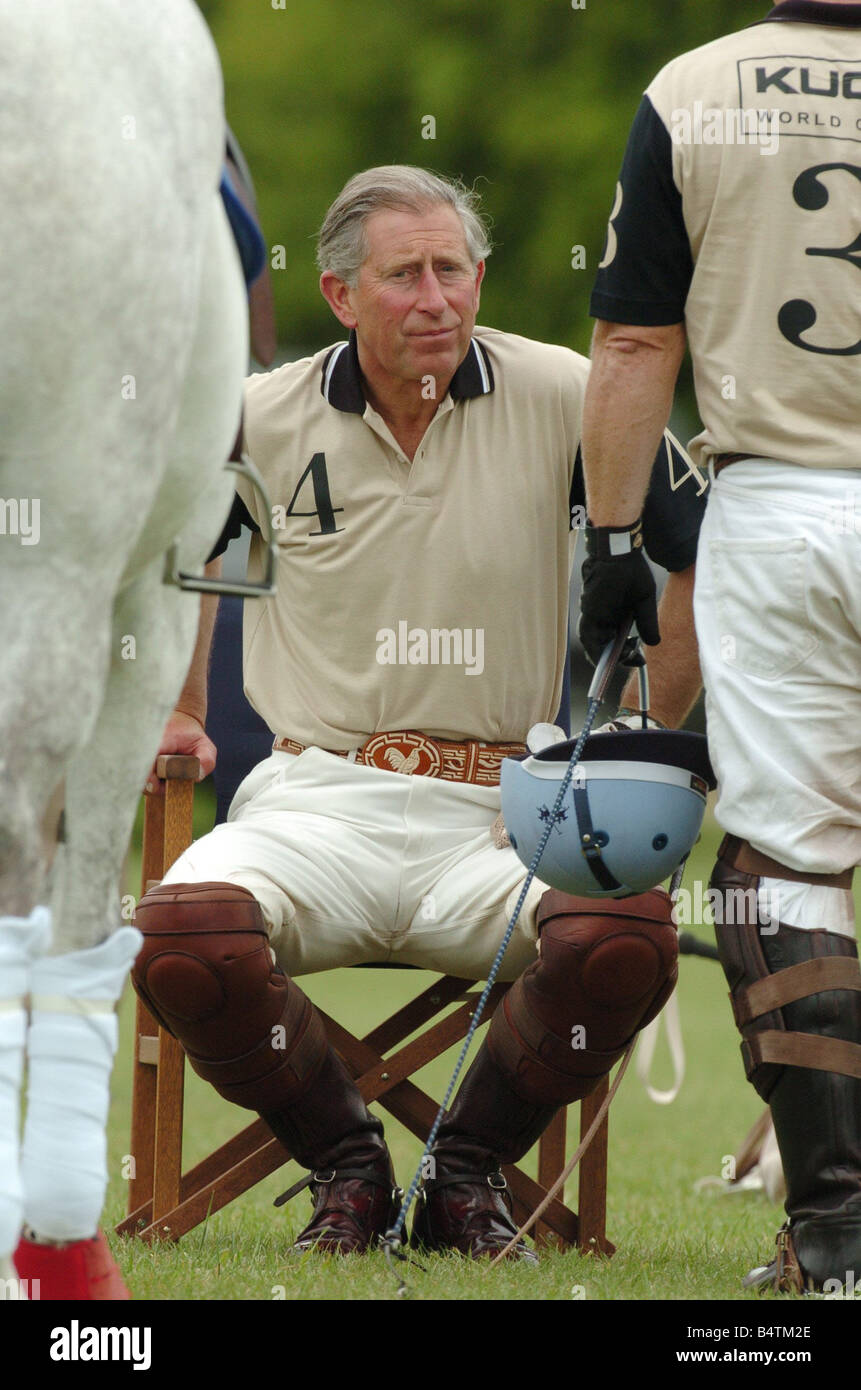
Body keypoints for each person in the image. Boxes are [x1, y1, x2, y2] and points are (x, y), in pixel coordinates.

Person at [133, 165, 706, 1260]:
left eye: (454, 270)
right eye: (405, 275)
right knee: (183, 936)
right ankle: (348, 1166)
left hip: (506, 807)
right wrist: (180, 708)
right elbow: (197, 561)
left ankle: (462, 1175)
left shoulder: (573, 394)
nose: (436, 297)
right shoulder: (257, 415)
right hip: (316, 798)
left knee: (626, 937)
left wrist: (638, 741)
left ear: (481, 279)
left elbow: (703, 557)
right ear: (343, 295)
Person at [577, 1, 861, 1293]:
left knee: (786, 866)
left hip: (784, 512)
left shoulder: (694, 85)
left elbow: (638, 338)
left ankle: (837, 1236)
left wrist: (613, 540)